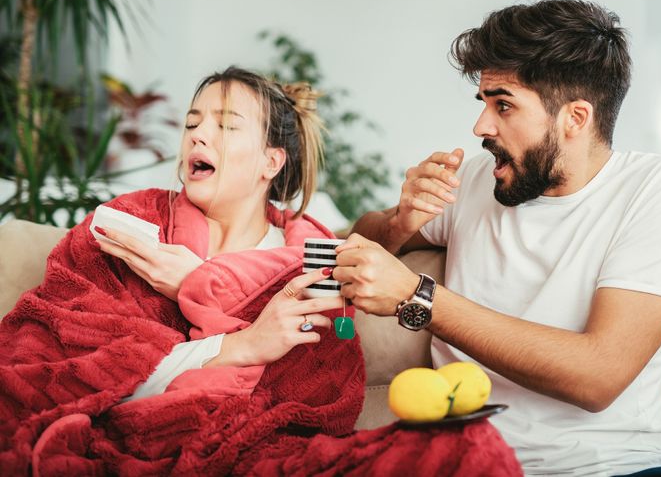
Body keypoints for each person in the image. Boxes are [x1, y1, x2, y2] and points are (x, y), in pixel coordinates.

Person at [0, 66, 521, 475]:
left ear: (271, 163)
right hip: (122, 438)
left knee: (468, 449)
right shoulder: (132, 225)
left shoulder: (313, 254)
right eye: (192, 124)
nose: (198, 137)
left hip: (261, 454)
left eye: (225, 126)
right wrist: (242, 345)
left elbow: (320, 401)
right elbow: (57, 366)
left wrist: (199, 287)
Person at [334, 0, 661, 476]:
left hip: (619, 468)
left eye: (504, 105)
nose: (481, 127)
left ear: (575, 118)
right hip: (472, 465)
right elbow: (357, 239)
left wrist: (419, 298)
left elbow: (597, 377)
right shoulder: (478, 180)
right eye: (484, 104)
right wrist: (400, 221)